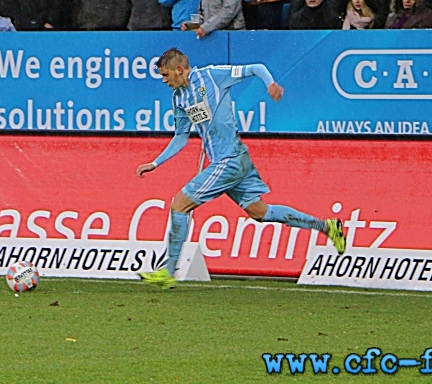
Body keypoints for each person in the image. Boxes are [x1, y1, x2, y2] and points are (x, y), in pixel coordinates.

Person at [135, 48, 346, 289]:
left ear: (179, 70)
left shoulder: (212, 76)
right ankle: (326, 226)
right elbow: (181, 136)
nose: (164, 80)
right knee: (260, 212)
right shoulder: (179, 98)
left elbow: (255, 67)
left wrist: (270, 84)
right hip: (233, 160)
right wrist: (155, 163)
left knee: (179, 204)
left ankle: (168, 272)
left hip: (229, 160)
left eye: (165, 75)